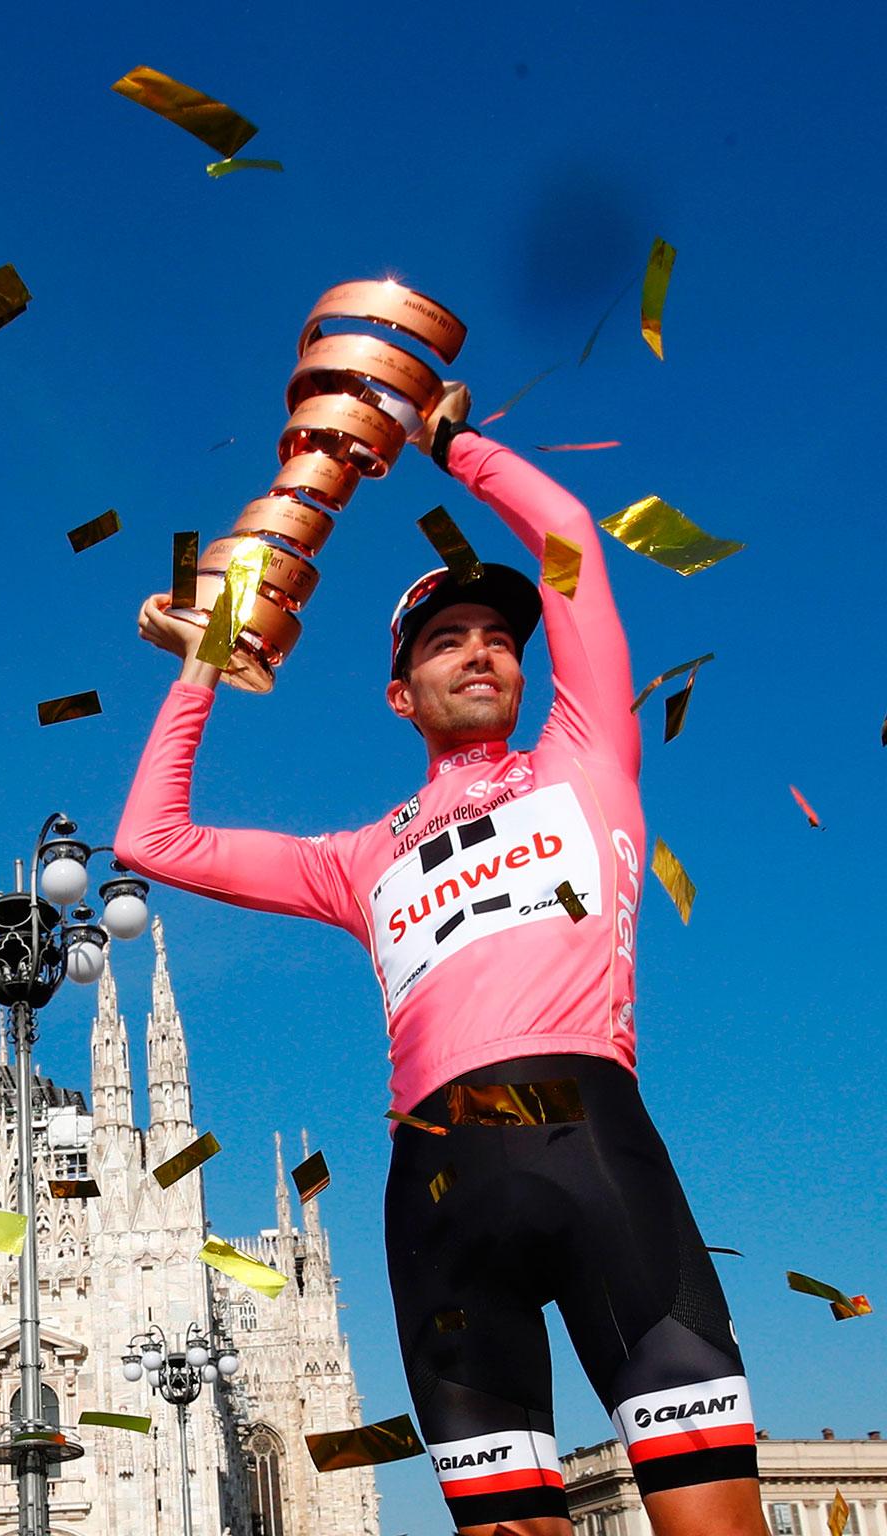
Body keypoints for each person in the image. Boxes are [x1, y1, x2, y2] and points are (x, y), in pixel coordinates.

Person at [114, 384, 767, 1536]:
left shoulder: (586, 759)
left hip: (591, 1149)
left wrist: (449, 442)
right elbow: (150, 841)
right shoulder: (362, 857)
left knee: (711, 1521)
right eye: (446, 640)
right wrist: (206, 654)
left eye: (500, 639)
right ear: (397, 690)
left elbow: (567, 541)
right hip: (434, 1191)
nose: (482, 653)